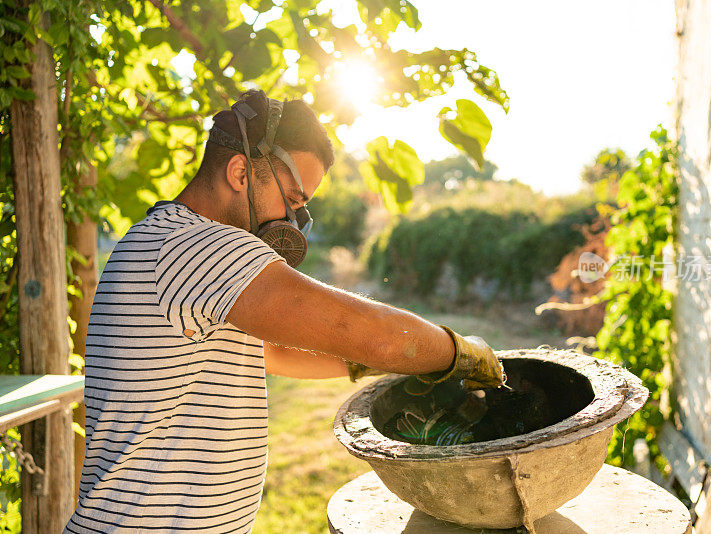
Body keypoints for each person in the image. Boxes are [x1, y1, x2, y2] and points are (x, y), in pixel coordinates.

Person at [64, 89, 503, 533]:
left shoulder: (166, 244)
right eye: (291, 199)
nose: (292, 221)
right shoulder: (194, 247)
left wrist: (381, 362)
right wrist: (459, 352)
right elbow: (377, 334)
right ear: (239, 171)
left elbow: (273, 353)